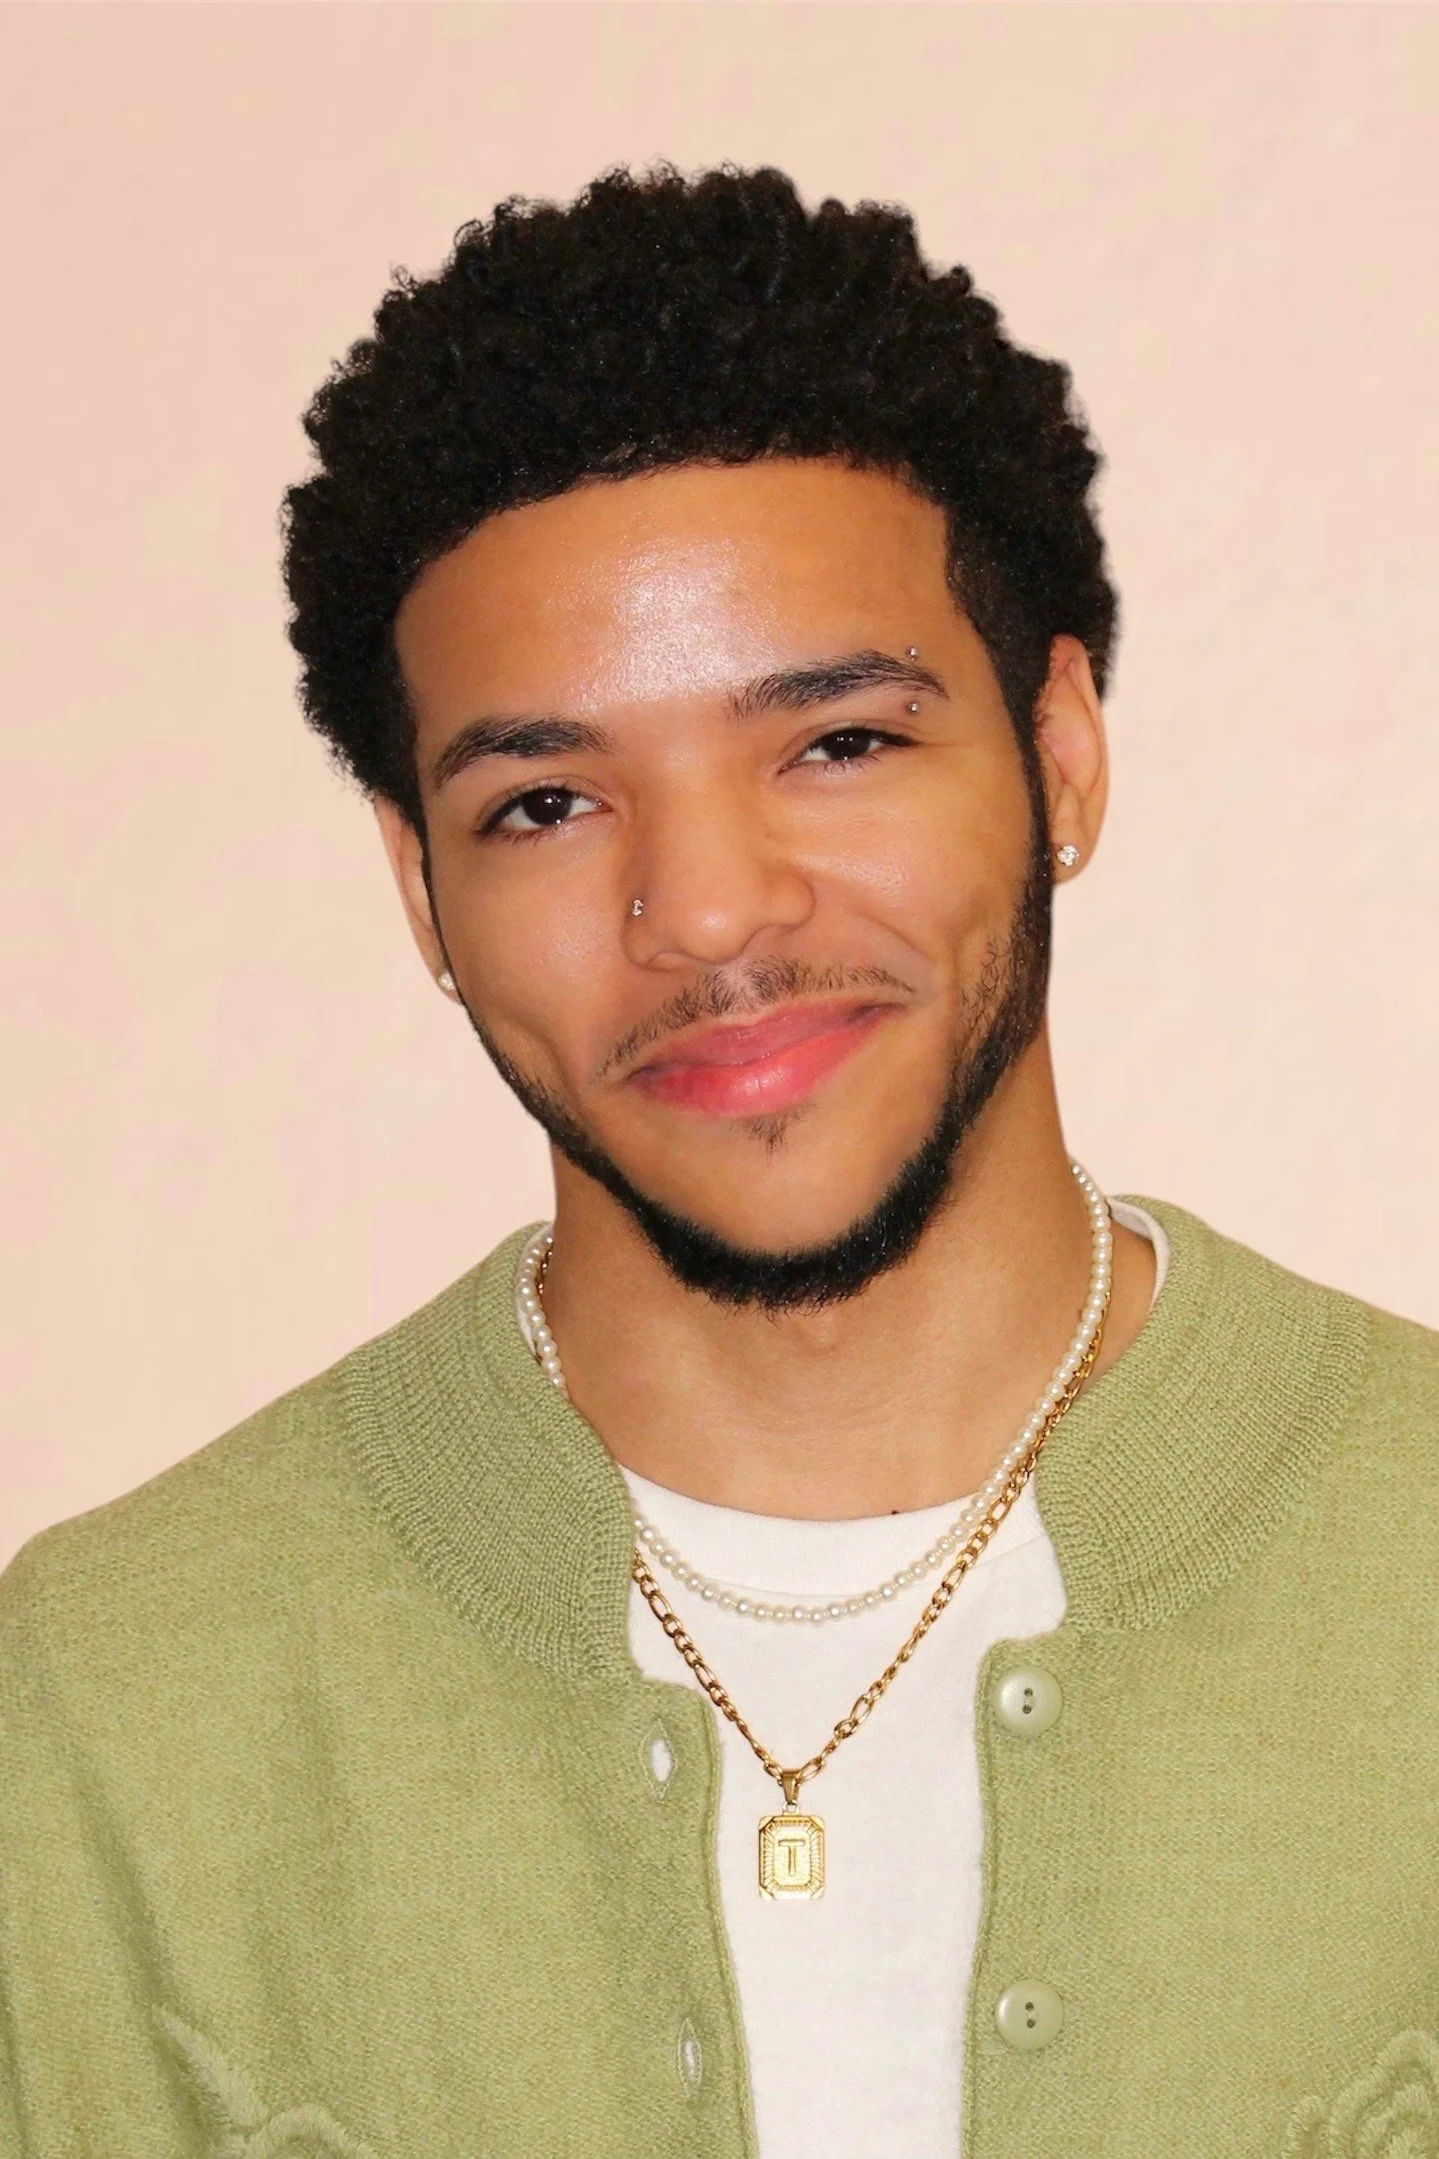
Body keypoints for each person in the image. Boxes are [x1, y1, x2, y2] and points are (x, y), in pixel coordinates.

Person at [2, 165, 1435, 2159]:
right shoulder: (107, 1703)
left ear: (1059, 748)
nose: (702, 910)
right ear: (420, 886)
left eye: (833, 741)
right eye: (547, 799)